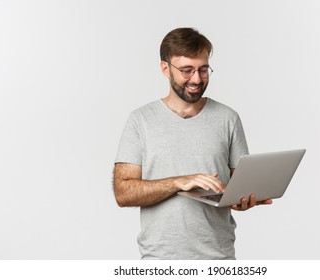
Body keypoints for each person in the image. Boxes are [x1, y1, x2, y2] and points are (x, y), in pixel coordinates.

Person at [113, 27, 272, 260]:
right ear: (165, 68)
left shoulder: (228, 118)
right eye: (187, 70)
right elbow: (123, 193)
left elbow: (239, 186)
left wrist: (243, 200)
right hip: (159, 261)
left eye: (203, 70)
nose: (196, 79)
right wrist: (179, 182)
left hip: (218, 260)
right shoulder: (141, 120)